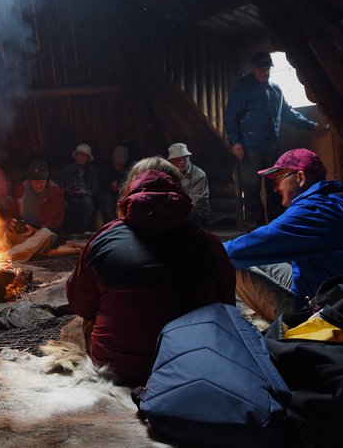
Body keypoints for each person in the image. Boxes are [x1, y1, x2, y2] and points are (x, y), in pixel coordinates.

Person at [66, 157, 236, 387]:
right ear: (179, 191)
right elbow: (226, 306)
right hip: (192, 366)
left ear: (129, 191)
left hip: (118, 369)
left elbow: (80, 303)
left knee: (89, 320)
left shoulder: (103, 239)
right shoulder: (208, 243)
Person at [223, 149, 343, 323]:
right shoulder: (339, 201)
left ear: (300, 178)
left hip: (333, 313)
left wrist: (201, 250)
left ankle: (289, 320)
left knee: (226, 261)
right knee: (261, 259)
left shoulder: (313, 212)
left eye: (278, 179)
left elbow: (241, 248)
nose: (275, 189)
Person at [223, 51, 327, 227]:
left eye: (267, 70)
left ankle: (276, 225)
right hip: (250, 148)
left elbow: (288, 114)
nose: (264, 74)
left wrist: (310, 125)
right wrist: (236, 142)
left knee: (275, 188)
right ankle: (254, 228)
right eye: (260, 70)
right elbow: (230, 117)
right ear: (253, 68)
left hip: (271, 147)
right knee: (251, 188)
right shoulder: (243, 89)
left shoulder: (275, 89)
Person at [57, 143, 100, 234]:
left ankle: (85, 231)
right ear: (76, 156)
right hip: (69, 197)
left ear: (88, 159)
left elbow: (95, 189)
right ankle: (65, 232)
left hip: (85, 197)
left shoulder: (93, 171)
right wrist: (67, 190)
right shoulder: (67, 169)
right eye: (80, 154)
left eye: (85, 155)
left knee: (87, 202)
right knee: (63, 203)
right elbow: (60, 185)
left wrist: (86, 192)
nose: (82, 157)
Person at [166, 143, 210, 227]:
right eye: (177, 159)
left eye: (185, 158)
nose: (182, 162)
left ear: (189, 158)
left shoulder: (198, 175)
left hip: (197, 214)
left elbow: (196, 203)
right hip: (177, 212)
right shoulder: (168, 174)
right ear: (171, 161)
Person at [98, 145, 132, 223]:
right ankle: (112, 224)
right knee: (105, 197)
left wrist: (122, 189)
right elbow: (102, 185)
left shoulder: (129, 169)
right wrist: (111, 187)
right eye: (116, 163)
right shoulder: (106, 168)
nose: (118, 166)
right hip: (109, 194)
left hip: (123, 193)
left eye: (121, 164)